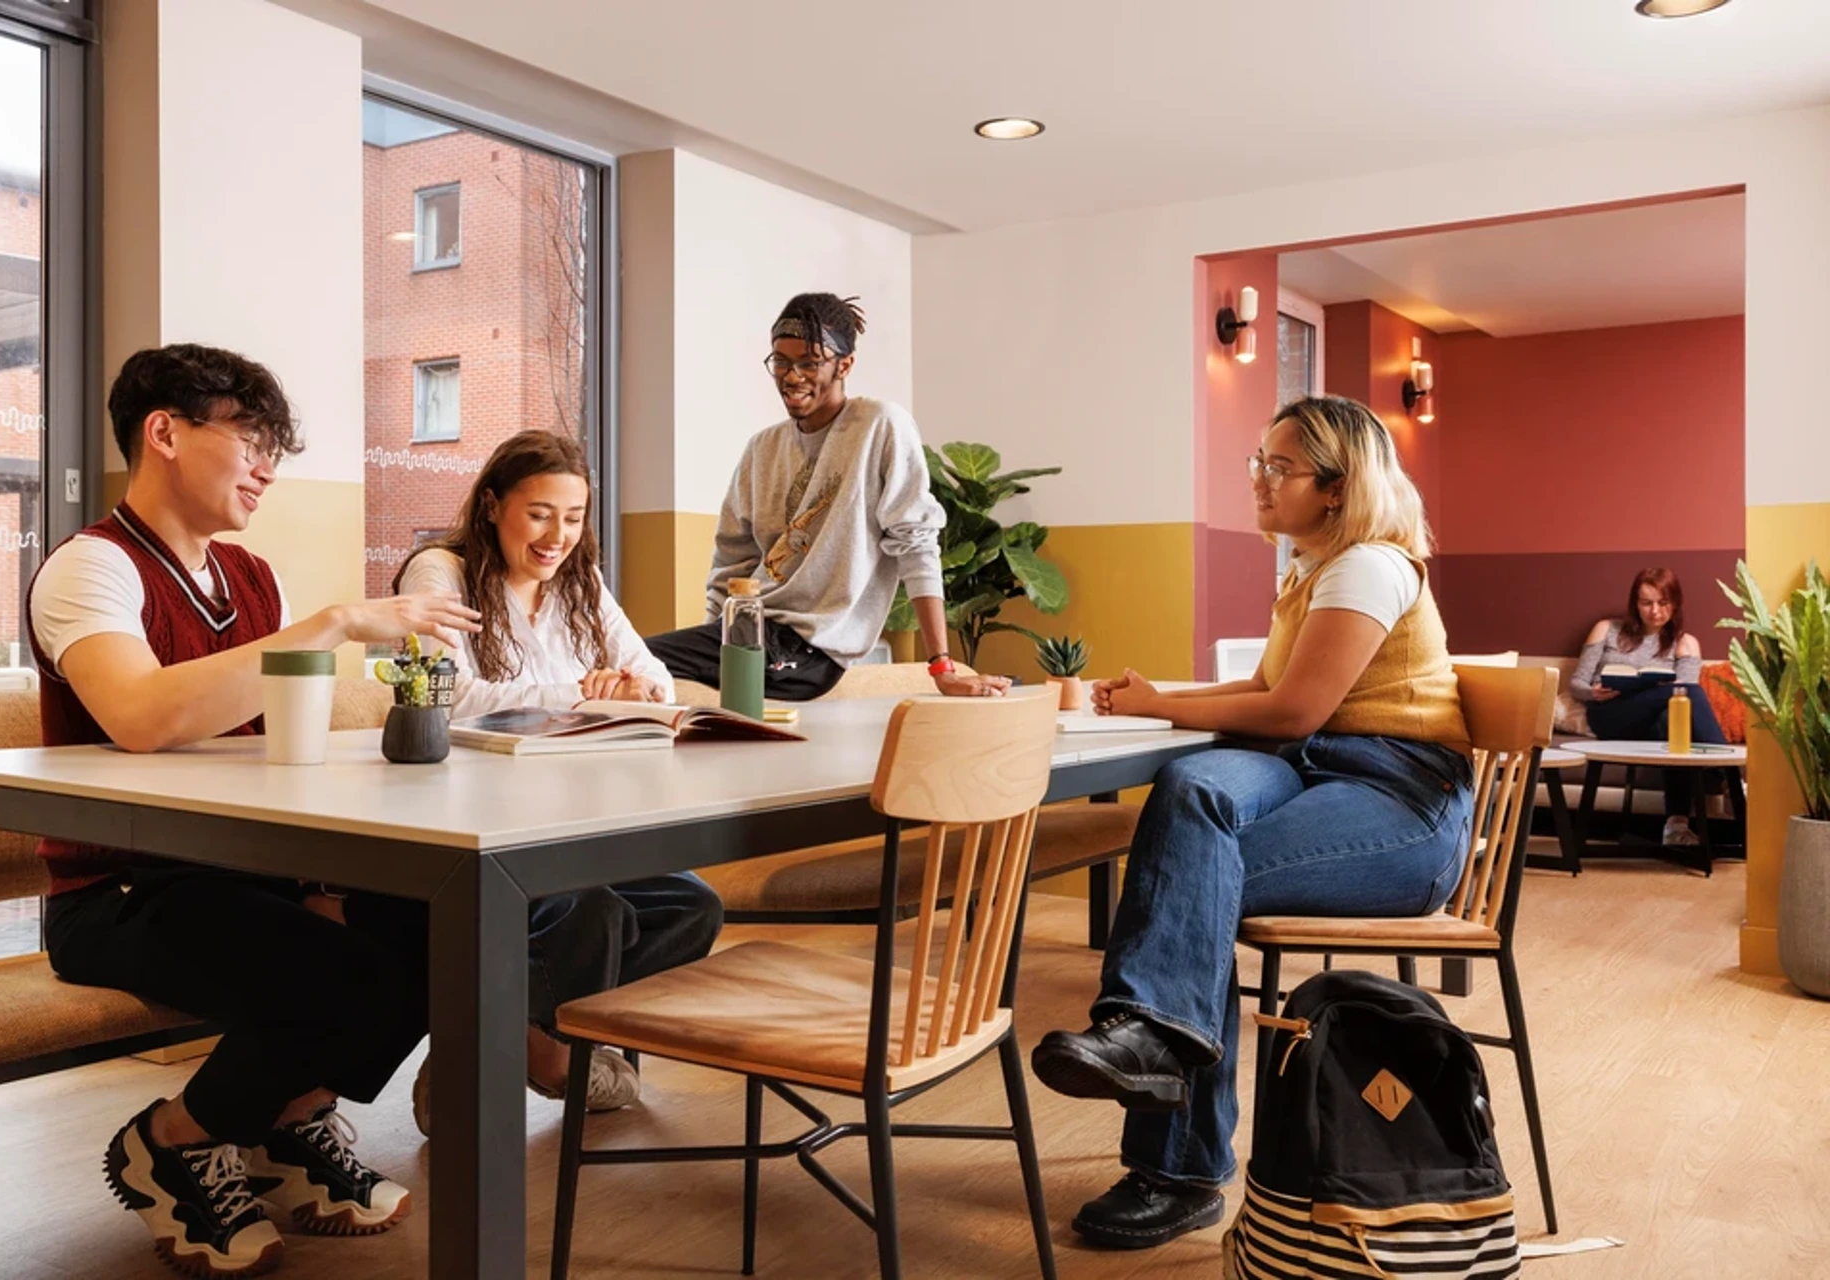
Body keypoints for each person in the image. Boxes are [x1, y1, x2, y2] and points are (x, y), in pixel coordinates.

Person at [26, 344, 480, 1278]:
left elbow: (273, 758)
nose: (268, 466)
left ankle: (288, 1119)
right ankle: (174, 1141)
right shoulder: (90, 569)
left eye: (276, 445)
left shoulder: (248, 577)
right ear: (164, 433)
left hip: (243, 876)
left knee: (439, 932)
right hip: (121, 889)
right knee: (343, 978)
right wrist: (332, 627)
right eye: (251, 439)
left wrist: (318, 882)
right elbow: (142, 715)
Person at [1029, 396, 1477, 1250]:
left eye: (1281, 468)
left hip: (1402, 804)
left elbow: (1295, 708)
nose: (1260, 482)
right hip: (1319, 773)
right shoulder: (1311, 569)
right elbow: (1269, 702)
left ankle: (1175, 1158)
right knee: (1193, 784)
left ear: (1339, 490)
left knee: (1194, 886)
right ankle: (1149, 1039)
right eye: (1257, 463)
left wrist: (1168, 702)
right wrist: (1166, 706)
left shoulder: (1366, 567)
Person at [393, 431, 722, 1125]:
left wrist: (629, 687)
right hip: (474, 823)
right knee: (593, 910)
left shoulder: (582, 583)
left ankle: (505, 1038)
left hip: (571, 816)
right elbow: (443, 696)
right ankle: (541, 1049)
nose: (558, 536)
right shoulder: (440, 574)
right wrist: (579, 692)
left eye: (573, 518)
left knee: (692, 907)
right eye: (540, 513)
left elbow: (656, 680)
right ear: (491, 505)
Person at [643, 292, 1008, 701]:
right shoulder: (761, 450)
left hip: (811, 649)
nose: (792, 376)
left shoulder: (879, 425)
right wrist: (712, 641)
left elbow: (917, 542)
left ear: (845, 364)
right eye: (780, 361)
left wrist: (942, 666)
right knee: (624, 662)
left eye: (810, 363)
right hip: (755, 635)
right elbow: (732, 565)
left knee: (633, 660)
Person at [1570, 567, 1725, 846]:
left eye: (1663, 603)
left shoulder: (1685, 643)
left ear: (1675, 603)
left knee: (1674, 722)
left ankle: (1675, 827)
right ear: (1635, 604)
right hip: (1610, 715)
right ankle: (1724, 771)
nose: (1655, 611)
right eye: (1646, 603)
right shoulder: (1606, 630)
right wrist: (1593, 693)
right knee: (1685, 693)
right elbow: (1577, 683)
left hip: (1653, 723)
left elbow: (1683, 701)